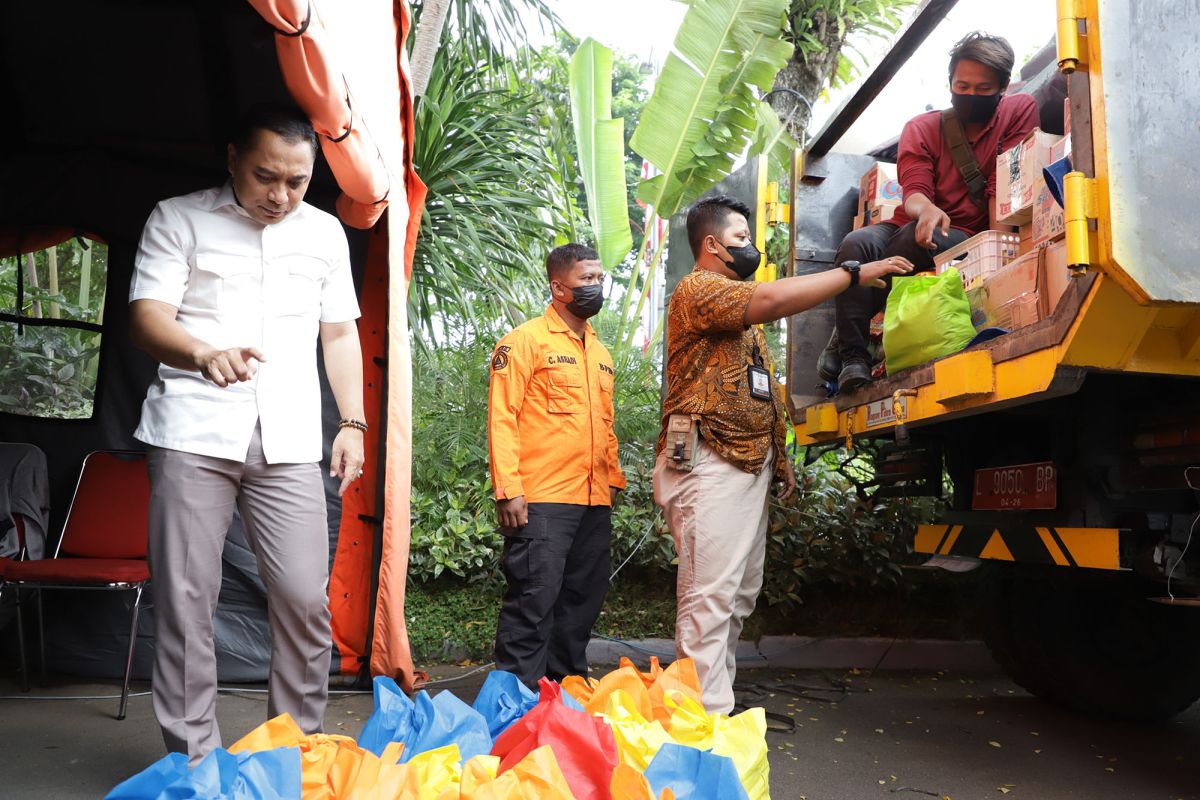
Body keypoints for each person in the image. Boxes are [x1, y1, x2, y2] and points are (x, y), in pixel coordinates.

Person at [128, 105, 365, 764]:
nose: (282, 195)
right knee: (186, 601)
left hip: (289, 439)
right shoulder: (178, 218)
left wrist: (353, 423)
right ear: (233, 157)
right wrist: (202, 353)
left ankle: (290, 754)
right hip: (193, 429)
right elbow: (146, 317)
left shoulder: (322, 234)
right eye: (267, 177)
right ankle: (195, 760)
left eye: (297, 181)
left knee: (300, 597)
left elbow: (339, 332)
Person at [654, 196, 911, 713]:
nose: (751, 247)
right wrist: (851, 273)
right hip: (710, 462)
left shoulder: (738, 319)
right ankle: (702, 731)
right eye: (741, 239)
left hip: (748, 466)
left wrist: (781, 458)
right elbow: (771, 299)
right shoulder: (698, 289)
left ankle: (709, 712)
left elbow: (761, 390)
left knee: (737, 597)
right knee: (710, 599)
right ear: (711, 245)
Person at [822, 32, 1039, 392]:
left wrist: (1002, 257)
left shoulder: (1019, 110)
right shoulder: (921, 128)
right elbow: (914, 190)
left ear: (1003, 86)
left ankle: (845, 333)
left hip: (971, 234)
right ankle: (854, 360)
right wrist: (926, 211)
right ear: (950, 83)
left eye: (983, 89)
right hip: (911, 223)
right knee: (856, 244)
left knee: (918, 240)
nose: (970, 95)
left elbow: (1005, 182)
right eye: (962, 85)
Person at [487, 243, 625, 690]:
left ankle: (565, 700)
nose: (596, 286)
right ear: (558, 287)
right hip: (542, 501)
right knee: (533, 604)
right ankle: (515, 709)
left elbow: (606, 424)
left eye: (600, 279)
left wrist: (614, 480)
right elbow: (502, 417)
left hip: (593, 501)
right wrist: (508, 489)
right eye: (587, 279)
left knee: (581, 605)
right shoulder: (524, 342)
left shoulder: (600, 353)